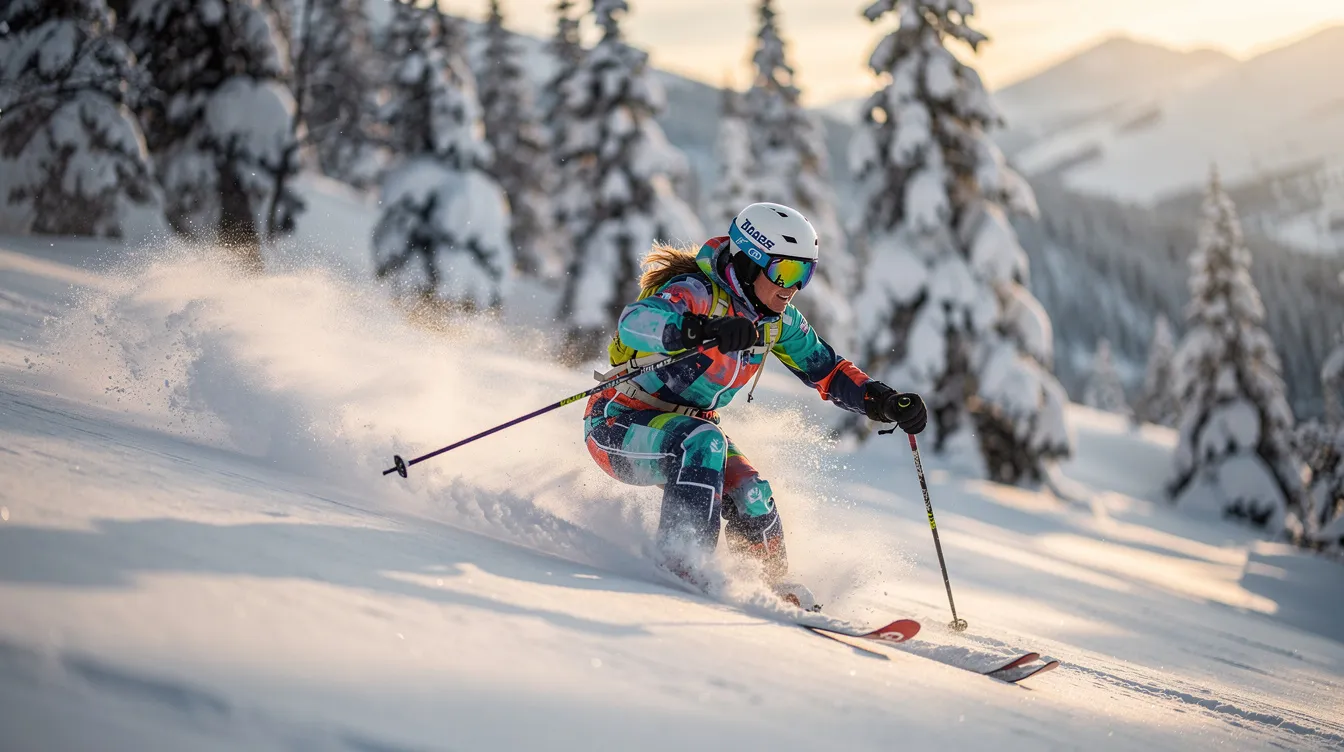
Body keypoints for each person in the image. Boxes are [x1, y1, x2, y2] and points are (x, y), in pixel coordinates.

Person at [582, 202, 927, 609]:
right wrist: (699, 329)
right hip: (618, 422)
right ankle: (682, 565)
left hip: (691, 435)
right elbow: (636, 323)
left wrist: (882, 400)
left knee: (751, 494)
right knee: (704, 441)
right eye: (785, 271)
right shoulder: (694, 293)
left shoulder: (776, 321)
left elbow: (827, 370)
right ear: (748, 262)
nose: (792, 286)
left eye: (805, 273)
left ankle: (768, 589)